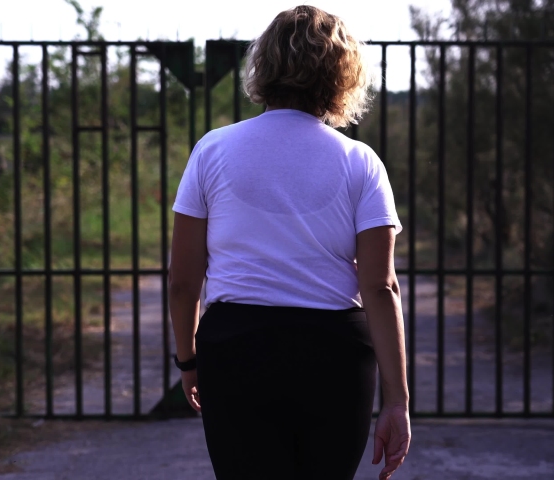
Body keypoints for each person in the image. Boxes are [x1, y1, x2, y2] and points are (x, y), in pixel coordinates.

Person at [168, 5, 411, 480]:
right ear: (344, 73)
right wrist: (397, 401)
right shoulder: (361, 163)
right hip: (335, 356)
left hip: (235, 351)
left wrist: (188, 359)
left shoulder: (212, 150)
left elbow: (182, 280)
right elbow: (380, 288)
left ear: (265, 65)